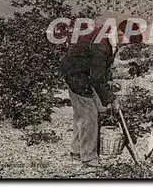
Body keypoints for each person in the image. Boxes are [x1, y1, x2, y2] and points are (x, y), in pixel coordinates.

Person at [60, 19, 141, 167]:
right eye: (128, 41)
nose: (127, 45)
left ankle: (76, 150)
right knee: (89, 114)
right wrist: (112, 98)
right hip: (76, 75)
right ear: (120, 32)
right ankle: (89, 159)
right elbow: (97, 79)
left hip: (83, 73)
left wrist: (108, 87)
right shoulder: (101, 45)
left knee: (88, 112)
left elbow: (101, 70)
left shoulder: (109, 39)